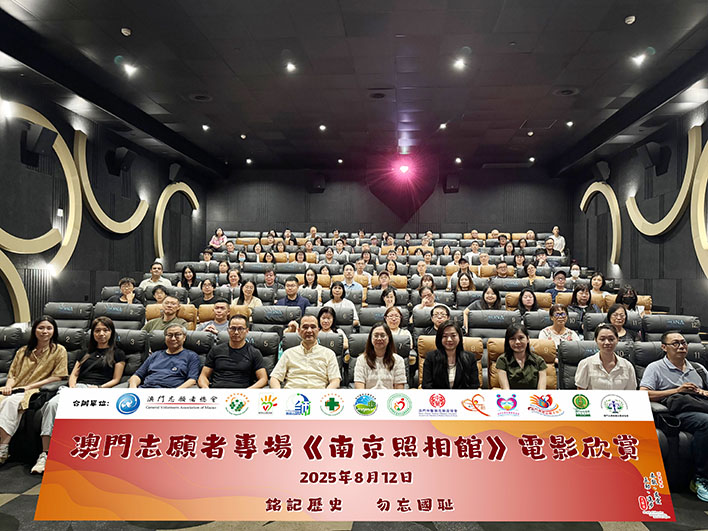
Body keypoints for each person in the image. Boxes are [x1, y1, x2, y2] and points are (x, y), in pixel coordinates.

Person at [33, 316, 126, 473]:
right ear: (92, 333)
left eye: (105, 330)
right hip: (77, 388)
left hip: (99, 391)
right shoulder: (85, 352)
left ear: (111, 332)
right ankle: (45, 454)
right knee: (52, 405)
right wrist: (73, 388)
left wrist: (99, 388)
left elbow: (116, 379)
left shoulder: (118, 354)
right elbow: (74, 375)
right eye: (97, 331)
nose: (101, 334)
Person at [640, 331, 708, 502]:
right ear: (664, 347)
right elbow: (644, 394)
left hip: (702, 405)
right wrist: (677, 390)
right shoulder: (655, 367)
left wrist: (703, 392)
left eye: (683, 343)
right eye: (675, 343)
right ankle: (700, 478)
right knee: (706, 422)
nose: (681, 347)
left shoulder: (698, 368)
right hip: (676, 413)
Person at [0, 316, 68, 466]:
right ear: (34, 330)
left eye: (49, 328)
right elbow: (12, 374)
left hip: (35, 390)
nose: (45, 331)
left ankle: (3, 447)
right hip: (16, 388)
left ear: (54, 331)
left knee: (11, 402)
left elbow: (58, 376)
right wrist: (8, 386)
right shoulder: (23, 351)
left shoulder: (59, 350)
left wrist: (29, 387)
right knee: (5, 398)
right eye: (41, 328)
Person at [270, 314, 341, 389]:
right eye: (305, 327)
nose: (309, 330)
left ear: (318, 330)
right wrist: (279, 394)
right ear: (299, 331)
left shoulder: (329, 354)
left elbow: (335, 381)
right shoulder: (288, 353)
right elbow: (274, 378)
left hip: (318, 393)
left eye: (313, 327)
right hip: (292, 393)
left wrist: (324, 394)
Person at [197, 314, 267, 389]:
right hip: (217, 391)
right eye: (233, 328)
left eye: (240, 328)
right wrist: (205, 387)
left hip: (242, 393)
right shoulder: (216, 350)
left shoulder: (254, 352)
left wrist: (249, 391)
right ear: (228, 330)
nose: (236, 332)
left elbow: (263, 379)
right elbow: (203, 376)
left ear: (247, 331)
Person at [129, 324, 200, 388]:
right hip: (147, 390)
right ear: (165, 338)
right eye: (169, 335)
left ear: (184, 337)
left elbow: (192, 380)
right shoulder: (155, 355)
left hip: (170, 393)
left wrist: (176, 392)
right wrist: (133, 388)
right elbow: (137, 375)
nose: (173, 338)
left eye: (177, 335)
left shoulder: (191, 356)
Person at [575, 324, 636, 391]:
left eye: (611, 339)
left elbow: (631, 393)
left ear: (617, 340)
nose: (607, 342)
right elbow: (581, 392)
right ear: (596, 340)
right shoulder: (585, 364)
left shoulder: (627, 366)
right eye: (602, 339)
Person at [422, 321, 479, 389]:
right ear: (440, 338)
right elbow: (427, 385)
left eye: (453, 336)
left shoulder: (470, 358)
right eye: (445, 336)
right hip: (438, 395)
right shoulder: (430, 357)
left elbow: (474, 385)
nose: (449, 339)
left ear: (459, 337)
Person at [354, 323, 406, 389]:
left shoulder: (398, 360)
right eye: (376, 336)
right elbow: (359, 387)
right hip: (368, 395)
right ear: (371, 338)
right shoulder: (361, 360)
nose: (379, 338)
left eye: (382, 335)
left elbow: (399, 389)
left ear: (389, 338)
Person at [496, 324, 547, 390]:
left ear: (528, 339)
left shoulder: (539, 361)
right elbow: (506, 390)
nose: (517, 342)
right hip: (512, 396)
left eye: (521, 338)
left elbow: (541, 391)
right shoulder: (502, 360)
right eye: (512, 339)